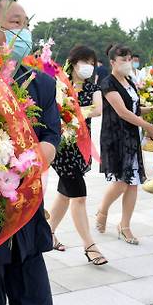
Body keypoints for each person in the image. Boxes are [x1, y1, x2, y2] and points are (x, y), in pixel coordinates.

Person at [0, 0, 61, 305]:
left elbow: (51, 134)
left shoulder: (41, 83)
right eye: (15, 23)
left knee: (35, 300)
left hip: (25, 212)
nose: (23, 31)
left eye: (26, 24)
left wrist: (29, 161)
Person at [47, 45, 107, 265]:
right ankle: (89, 245)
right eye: (85, 62)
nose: (89, 67)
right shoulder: (60, 85)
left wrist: (73, 113)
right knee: (78, 195)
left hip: (80, 147)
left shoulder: (93, 88)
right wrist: (68, 112)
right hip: (63, 149)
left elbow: (98, 109)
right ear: (73, 63)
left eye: (92, 63)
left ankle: (48, 232)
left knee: (65, 193)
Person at [95, 44, 153, 245]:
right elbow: (122, 112)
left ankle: (125, 226)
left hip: (131, 137)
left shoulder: (129, 81)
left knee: (133, 184)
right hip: (116, 137)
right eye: (123, 59)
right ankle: (102, 211)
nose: (127, 63)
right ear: (112, 62)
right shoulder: (108, 84)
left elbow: (134, 107)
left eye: (129, 59)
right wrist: (148, 126)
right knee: (122, 182)